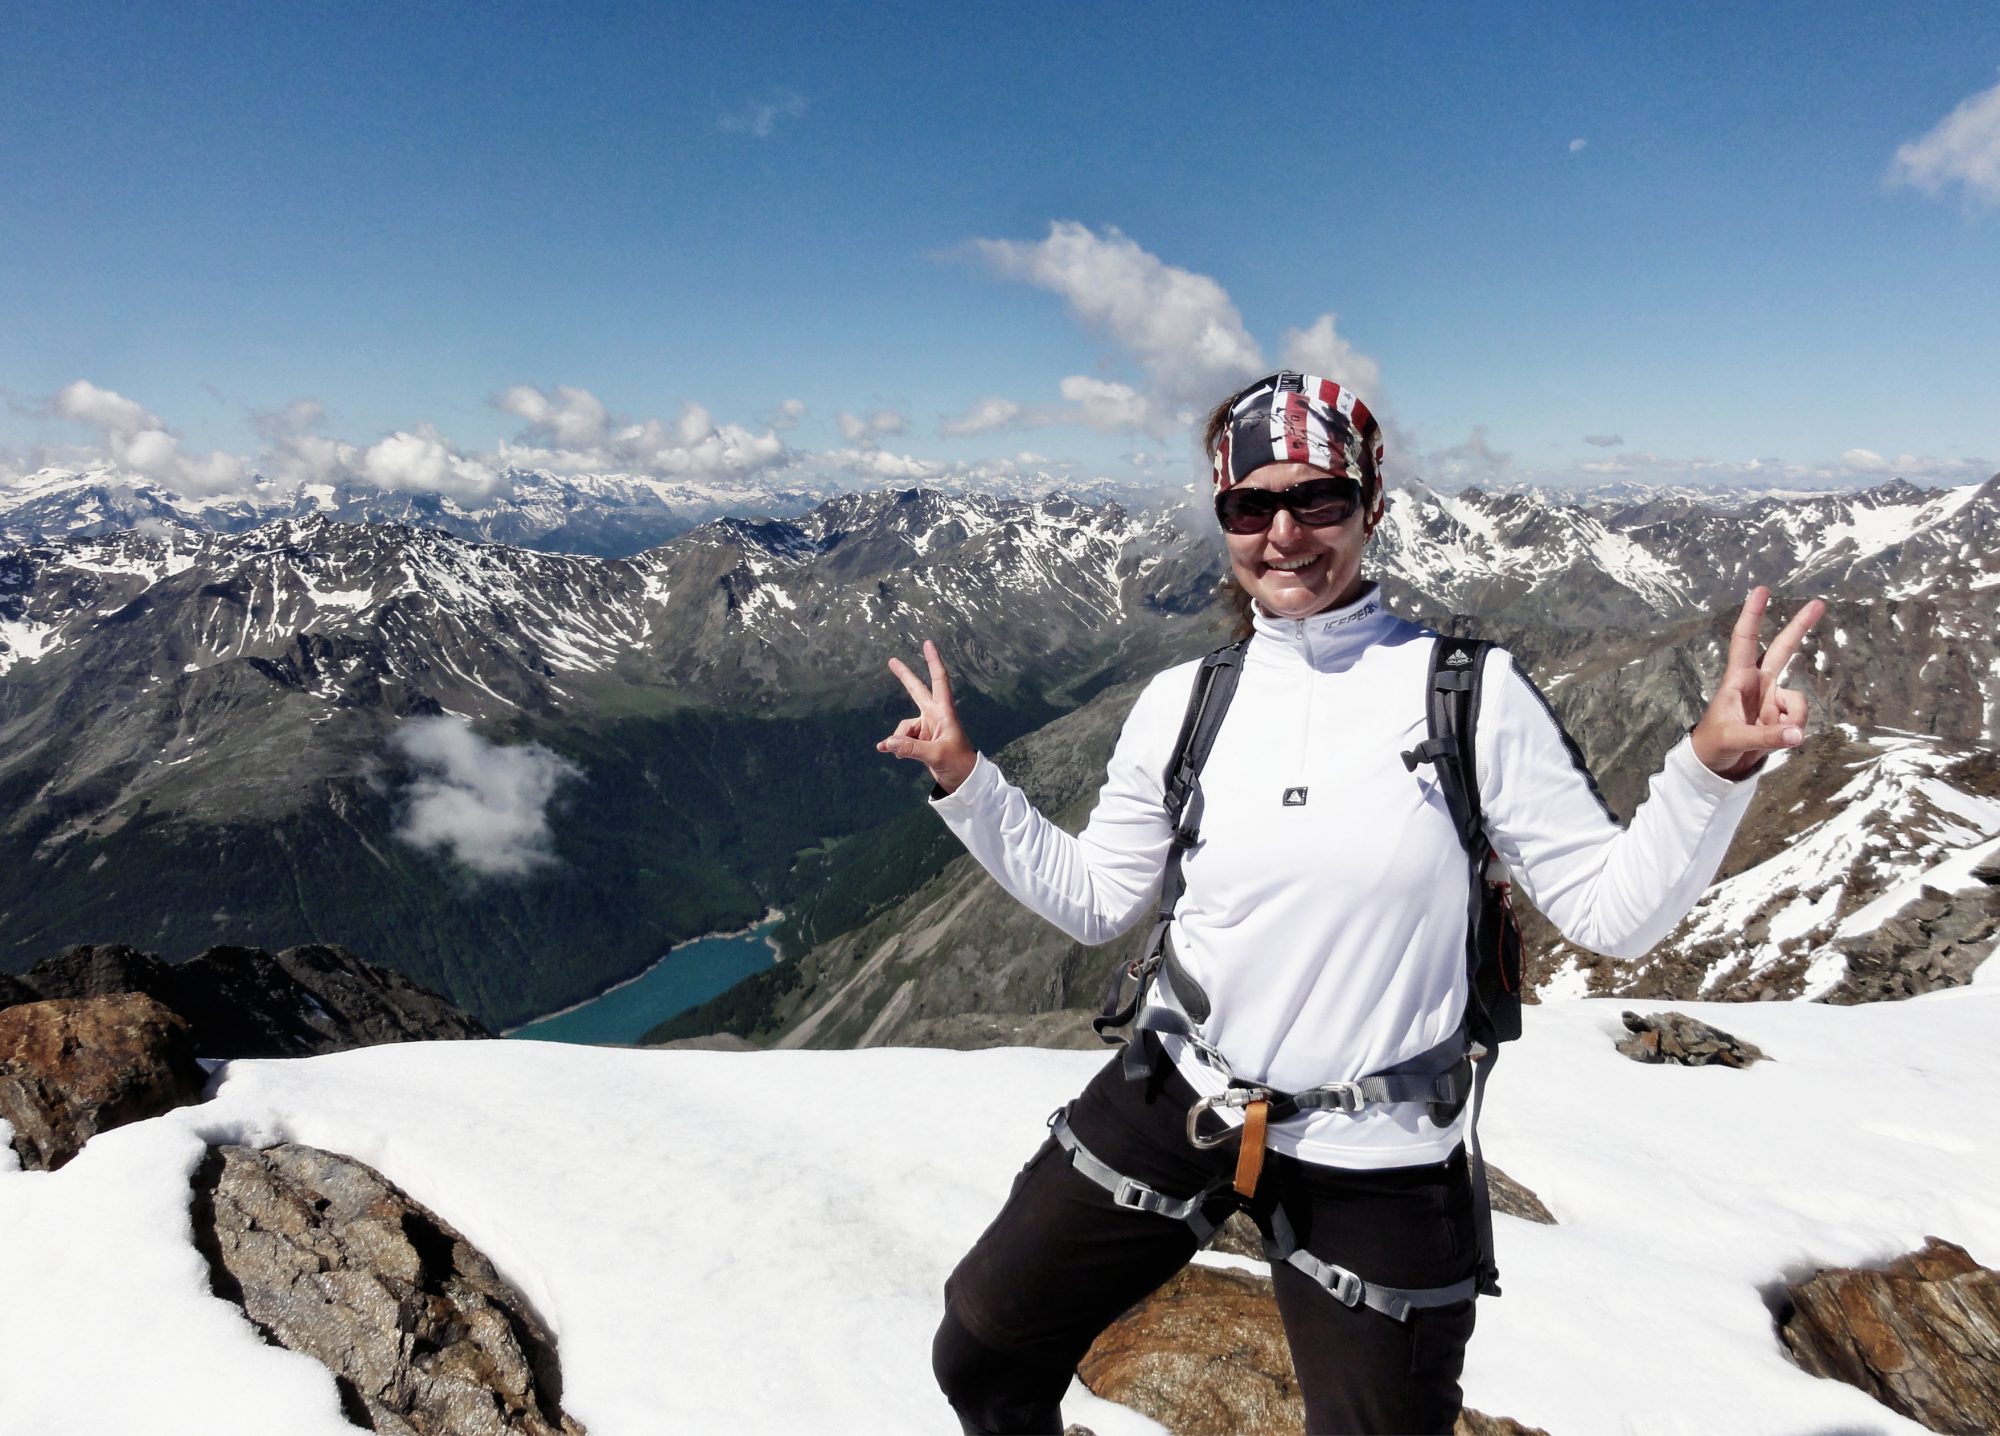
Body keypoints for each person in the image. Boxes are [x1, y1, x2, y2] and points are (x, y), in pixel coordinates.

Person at [877, 371, 1823, 1435]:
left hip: (1375, 1151)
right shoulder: (1183, 703)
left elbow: (1611, 914)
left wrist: (1707, 768)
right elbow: (1099, 899)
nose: (1283, 532)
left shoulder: (1468, 695)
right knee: (982, 1347)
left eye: (1317, 499)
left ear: (1370, 508)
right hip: (1175, 1085)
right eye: (1249, 505)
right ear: (1223, 519)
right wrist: (967, 781)